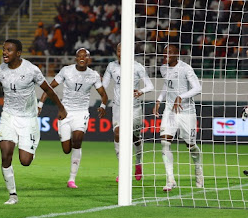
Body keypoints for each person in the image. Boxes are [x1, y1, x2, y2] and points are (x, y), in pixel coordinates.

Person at [0, 39, 67, 205]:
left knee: (25, 161)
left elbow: (48, 89)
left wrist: (61, 108)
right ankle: (12, 194)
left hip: (28, 118)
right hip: (8, 116)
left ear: (18, 53)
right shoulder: (0, 70)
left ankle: (30, 149)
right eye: (4, 49)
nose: (5, 53)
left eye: (9, 50)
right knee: (5, 153)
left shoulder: (31, 70)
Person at [39, 48, 107, 189]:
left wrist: (103, 106)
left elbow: (103, 95)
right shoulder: (66, 71)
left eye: (85, 56)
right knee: (66, 149)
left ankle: (72, 179)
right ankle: (63, 136)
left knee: (78, 140)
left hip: (81, 113)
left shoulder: (93, 75)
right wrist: (40, 104)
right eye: (79, 56)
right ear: (75, 58)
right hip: (65, 112)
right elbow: (49, 88)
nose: (82, 58)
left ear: (89, 59)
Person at [153, 44, 203, 192]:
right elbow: (167, 86)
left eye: (169, 53)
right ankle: (170, 179)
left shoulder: (186, 68)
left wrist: (181, 96)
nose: (165, 56)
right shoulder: (164, 69)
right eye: (164, 53)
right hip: (170, 111)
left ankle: (198, 169)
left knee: (191, 146)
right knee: (164, 142)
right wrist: (158, 100)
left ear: (176, 54)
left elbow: (197, 88)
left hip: (187, 112)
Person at [102, 43, 154, 182]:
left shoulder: (137, 67)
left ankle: (138, 163)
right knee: (117, 133)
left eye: (123, 50)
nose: (120, 53)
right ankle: (122, 170)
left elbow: (150, 86)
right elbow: (104, 85)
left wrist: (140, 91)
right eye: (119, 50)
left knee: (134, 137)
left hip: (134, 107)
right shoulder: (111, 66)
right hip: (118, 106)